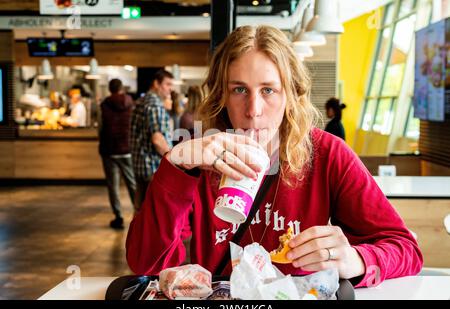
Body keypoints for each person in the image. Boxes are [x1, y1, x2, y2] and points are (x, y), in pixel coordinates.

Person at [126, 25, 422, 287]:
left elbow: (405, 248)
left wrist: (354, 259)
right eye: (239, 89)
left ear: (291, 95)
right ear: (221, 96)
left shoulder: (327, 154)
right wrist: (176, 167)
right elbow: (146, 264)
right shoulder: (199, 161)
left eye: (268, 90)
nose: (253, 110)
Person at [130, 69, 174, 213]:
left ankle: (136, 236)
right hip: (152, 167)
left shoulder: (142, 101)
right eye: (167, 84)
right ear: (156, 83)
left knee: (140, 211)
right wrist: (173, 160)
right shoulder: (154, 104)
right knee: (152, 214)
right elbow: (157, 140)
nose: (170, 89)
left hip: (140, 166)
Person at [99, 79, 136, 229]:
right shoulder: (131, 104)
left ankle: (118, 216)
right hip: (127, 149)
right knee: (132, 184)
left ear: (110, 89)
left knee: (113, 185)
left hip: (109, 150)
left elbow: (101, 127)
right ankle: (139, 213)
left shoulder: (105, 104)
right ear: (122, 88)